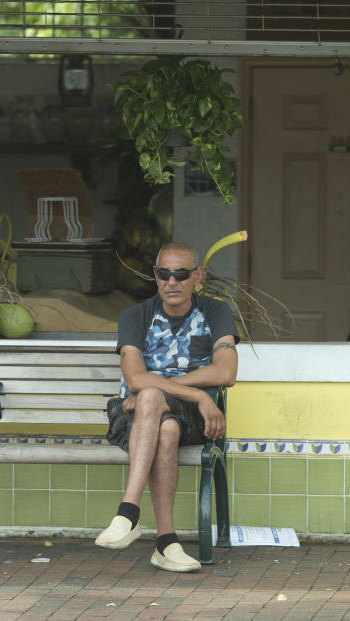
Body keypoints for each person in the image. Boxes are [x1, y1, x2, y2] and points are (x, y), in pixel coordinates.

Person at [96, 241, 239, 572]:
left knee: (153, 398)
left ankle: (128, 513)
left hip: (189, 415)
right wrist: (199, 392)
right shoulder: (135, 316)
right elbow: (134, 380)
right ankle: (165, 542)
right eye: (164, 274)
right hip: (132, 416)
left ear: (197, 276)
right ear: (155, 276)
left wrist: (172, 390)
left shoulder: (215, 312)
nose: (172, 282)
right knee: (162, 420)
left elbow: (226, 372)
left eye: (181, 274)